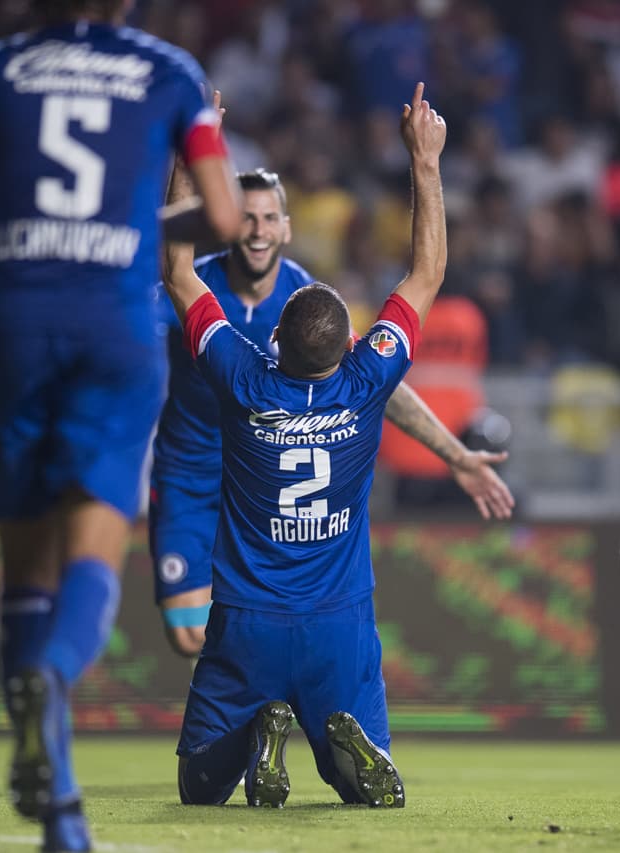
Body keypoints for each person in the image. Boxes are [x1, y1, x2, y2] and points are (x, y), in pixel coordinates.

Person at [0, 170, 515, 659]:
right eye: (245, 216)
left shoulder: (305, 300)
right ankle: (254, 706)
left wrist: (456, 455)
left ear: (286, 226)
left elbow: (375, 387)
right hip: (193, 474)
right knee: (187, 634)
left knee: (258, 623)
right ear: (228, 224)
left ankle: (252, 722)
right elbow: (106, 352)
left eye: (268, 217)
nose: (257, 230)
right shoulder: (190, 289)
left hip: (271, 483)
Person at [0, 1, 242, 850]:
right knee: (94, 549)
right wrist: (120, 225)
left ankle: (62, 815)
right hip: (114, 328)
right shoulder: (170, 73)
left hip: (15, 324)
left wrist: (22, 212)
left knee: (26, 570)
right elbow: (224, 216)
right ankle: (48, 677)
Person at [164, 82, 445, 810]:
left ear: (272, 342)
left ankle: (259, 728)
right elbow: (425, 274)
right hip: (340, 620)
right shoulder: (367, 380)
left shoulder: (242, 377)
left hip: (246, 619)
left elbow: (178, 270)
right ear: (350, 343)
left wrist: (193, 154)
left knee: (199, 787)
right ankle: (338, 742)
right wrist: (425, 162)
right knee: (367, 792)